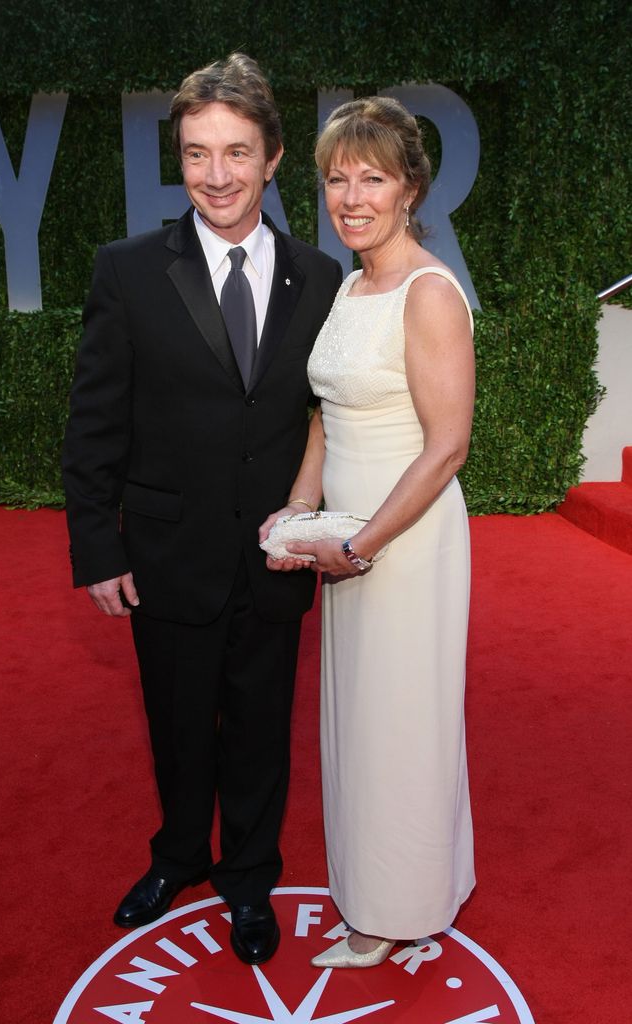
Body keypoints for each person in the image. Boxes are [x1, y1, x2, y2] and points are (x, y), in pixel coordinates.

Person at [62, 52, 341, 965]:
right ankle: (178, 856)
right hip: (170, 550)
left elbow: (322, 418)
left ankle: (250, 881)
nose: (215, 175)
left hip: (274, 556)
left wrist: (320, 524)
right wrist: (98, 547)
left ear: (273, 158)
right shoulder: (129, 270)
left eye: (235, 152)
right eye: (195, 153)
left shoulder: (320, 276)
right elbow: (96, 419)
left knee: (262, 728)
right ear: (177, 159)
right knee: (178, 726)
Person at [261, 95, 476, 967]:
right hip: (348, 536)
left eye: (372, 178)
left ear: (411, 189)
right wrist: (301, 510)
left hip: (404, 538)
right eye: (337, 178)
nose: (352, 196)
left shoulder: (427, 292)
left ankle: (397, 909)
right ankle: (383, 889)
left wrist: (360, 545)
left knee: (401, 722)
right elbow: (326, 414)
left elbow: (447, 446)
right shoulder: (352, 282)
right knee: (359, 720)